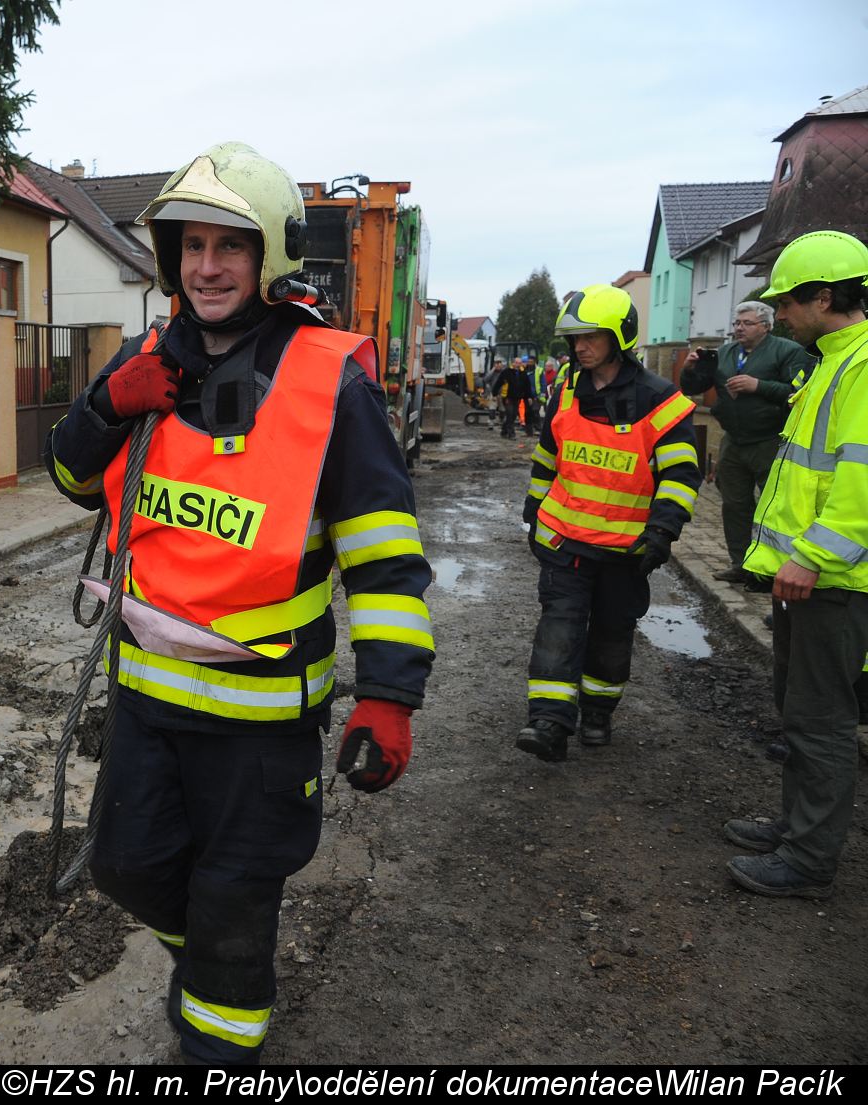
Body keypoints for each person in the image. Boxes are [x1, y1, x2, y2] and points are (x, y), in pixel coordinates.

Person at [45, 142, 433, 1064]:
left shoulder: (332, 380)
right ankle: (220, 965)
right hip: (146, 701)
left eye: (230, 246)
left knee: (232, 903)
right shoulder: (144, 361)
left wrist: (389, 695)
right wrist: (106, 405)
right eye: (192, 246)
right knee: (124, 866)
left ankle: (220, 1037)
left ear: (270, 256)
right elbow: (69, 477)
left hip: (261, 724)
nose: (207, 267)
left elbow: (384, 557)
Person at [726, 230, 868, 900]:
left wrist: (811, 557)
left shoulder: (861, 366)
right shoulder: (833, 361)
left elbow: (860, 482)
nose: (778, 314)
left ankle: (809, 860)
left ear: (823, 297)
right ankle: (794, 827)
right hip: (811, 579)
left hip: (834, 581)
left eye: (786, 302)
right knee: (799, 709)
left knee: (821, 718)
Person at [517, 284, 701, 759]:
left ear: (620, 336)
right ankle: (549, 722)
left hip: (626, 551)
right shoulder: (566, 391)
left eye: (591, 337)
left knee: (611, 635)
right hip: (566, 543)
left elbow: (681, 474)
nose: (580, 347)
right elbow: (547, 458)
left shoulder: (660, 400)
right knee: (559, 626)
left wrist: (662, 531)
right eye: (575, 338)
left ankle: (597, 713)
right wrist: (534, 513)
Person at [679, 301, 813, 586]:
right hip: (734, 440)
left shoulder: (788, 351)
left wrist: (758, 386)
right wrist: (689, 370)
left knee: (772, 508)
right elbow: (693, 388)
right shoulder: (725, 353)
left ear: (766, 326)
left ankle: (769, 569)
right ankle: (740, 564)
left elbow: (800, 392)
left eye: (747, 323)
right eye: (737, 323)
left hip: (770, 440)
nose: (740, 328)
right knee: (734, 505)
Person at [501, 358, 530, 439]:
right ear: (513, 363)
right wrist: (495, 393)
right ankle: (511, 433)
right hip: (508, 397)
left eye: (519, 363)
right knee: (510, 414)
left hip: (517, 397)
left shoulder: (523, 373)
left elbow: (527, 386)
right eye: (516, 363)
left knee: (513, 415)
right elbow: (499, 382)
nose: (518, 365)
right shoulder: (507, 372)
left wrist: (528, 396)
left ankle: (504, 430)